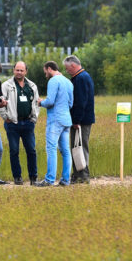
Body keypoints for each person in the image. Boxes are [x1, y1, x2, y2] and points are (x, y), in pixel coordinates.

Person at [0, 60, 40, 185]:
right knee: (14, 150)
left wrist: (34, 118)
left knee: (31, 151)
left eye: (22, 70)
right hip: (12, 123)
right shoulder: (6, 85)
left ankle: (33, 178)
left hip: (28, 122)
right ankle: (17, 177)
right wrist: (5, 117)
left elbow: (37, 103)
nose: (19, 72)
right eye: (17, 70)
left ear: (26, 71)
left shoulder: (32, 86)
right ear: (13, 70)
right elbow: (0, 103)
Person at [34, 61, 73, 187]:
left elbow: (50, 101)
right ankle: (65, 180)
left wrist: (40, 102)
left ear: (49, 69)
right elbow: (71, 103)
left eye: (45, 71)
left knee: (51, 148)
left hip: (55, 119)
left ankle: (49, 179)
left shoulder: (53, 81)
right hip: (66, 119)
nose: (45, 74)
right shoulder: (68, 82)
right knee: (66, 151)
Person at [64, 54, 95, 183]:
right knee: (77, 147)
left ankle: (83, 175)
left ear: (73, 65)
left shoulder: (80, 78)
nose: (67, 71)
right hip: (82, 119)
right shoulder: (82, 76)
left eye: (67, 68)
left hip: (82, 121)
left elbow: (80, 101)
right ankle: (77, 174)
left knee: (80, 148)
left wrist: (76, 120)